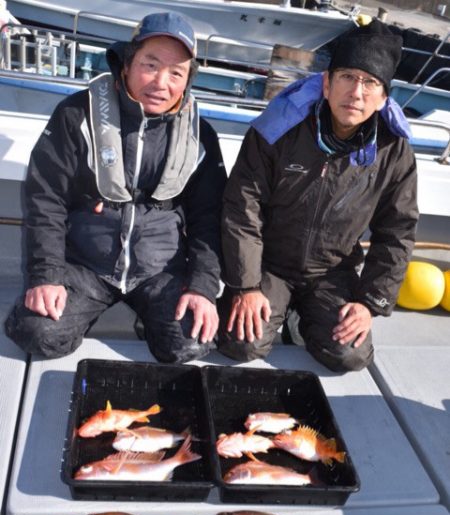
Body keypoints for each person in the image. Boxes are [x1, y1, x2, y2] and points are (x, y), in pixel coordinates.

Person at [4, 12, 227, 362]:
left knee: (192, 343)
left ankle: (150, 321)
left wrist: (201, 287)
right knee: (37, 333)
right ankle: (82, 313)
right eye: (150, 65)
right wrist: (45, 275)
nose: (161, 82)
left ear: (187, 81)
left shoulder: (202, 138)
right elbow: (45, 198)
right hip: (84, 264)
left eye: (176, 73)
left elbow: (208, 218)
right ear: (126, 63)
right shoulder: (76, 116)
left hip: (161, 269)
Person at [218, 19, 419, 372]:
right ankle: (281, 311)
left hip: (332, 272)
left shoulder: (394, 152)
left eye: (370, 82)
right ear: (326, 84)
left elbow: (397, 232)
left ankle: (300, 320)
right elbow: (242, 208)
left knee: (350, 356)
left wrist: (368, 303)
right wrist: (246, 285)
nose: (356, 92)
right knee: (241, 344)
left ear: (383, 98)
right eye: (347, 77)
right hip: (270, 265)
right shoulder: (279, 130)